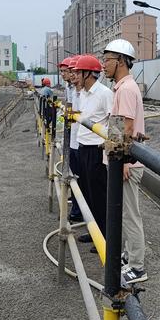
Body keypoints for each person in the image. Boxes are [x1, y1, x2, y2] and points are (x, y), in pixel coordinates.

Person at [103, 39, 147, 284]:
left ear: (120, 61)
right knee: (124, 213)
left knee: (131, 216)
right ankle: (129, 256)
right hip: (122, 162)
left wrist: (126, 163)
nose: (103, 66)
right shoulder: (122, 88)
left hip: (127, 164)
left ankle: (138, 267)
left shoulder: (127, 89)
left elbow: (127, 128)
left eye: (107, 60)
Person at [74, 54, 113, 246]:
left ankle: (105, 238)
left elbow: (113, 121)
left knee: (98, 195)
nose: (75, 76)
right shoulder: (84, 94)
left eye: (78, 72)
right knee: (87, 193)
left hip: (95, 151)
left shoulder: (104, 93)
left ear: (89, 73)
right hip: (83, 148)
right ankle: (94, 231)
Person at [67, 56, 84, 223]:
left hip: (84, 144)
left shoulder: (97, 93)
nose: (72, 75)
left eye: (75, 72)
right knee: (76, 178)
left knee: (83, 181)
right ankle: (78, 209)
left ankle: (81, 211)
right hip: (74, 141)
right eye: (70, 72)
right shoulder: (73, 91)